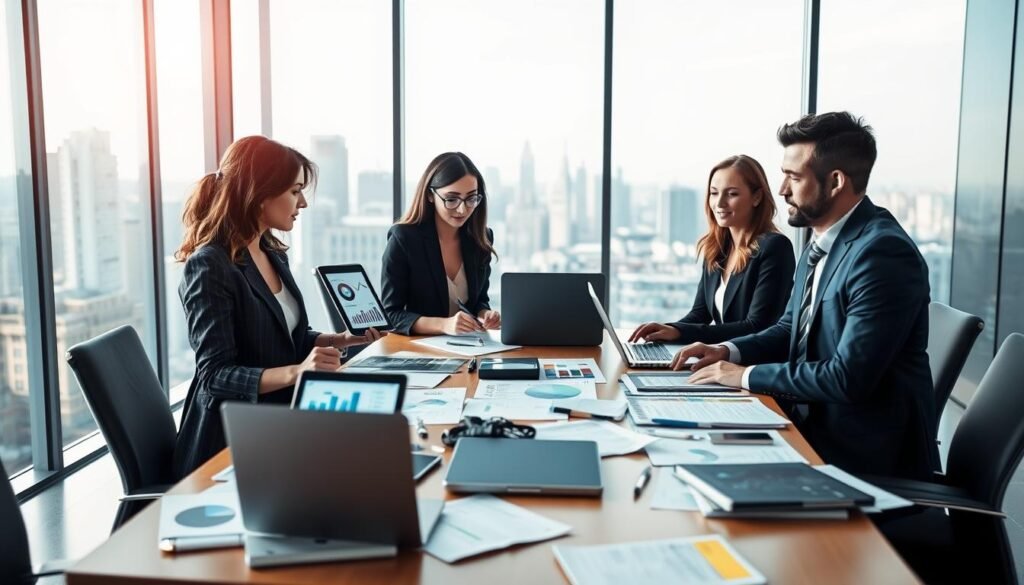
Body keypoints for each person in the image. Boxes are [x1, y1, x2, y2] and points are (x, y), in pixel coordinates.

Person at [678, 112, 939, 480]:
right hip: (810, 427)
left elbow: (847, 378)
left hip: (860, 457)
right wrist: (727, 352)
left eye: (794, 177)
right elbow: (789, 328)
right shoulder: (822, 242)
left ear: (835, 182)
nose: (782, 189)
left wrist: (744, 375)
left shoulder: (882, 254)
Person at [173, 136, 384, 478]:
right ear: (260, 195)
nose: (302, 202)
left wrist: (338, 340)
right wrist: (298, 372)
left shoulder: (271, 252)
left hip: (281, 418)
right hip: (231, 443)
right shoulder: (210, 266)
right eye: (294, 191)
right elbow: (215, 377)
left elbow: (282, 340)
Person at [628, 155, 795, 351]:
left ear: (757, 197)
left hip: (751, 366)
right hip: (718, 361)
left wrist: (682, 333)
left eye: (732, 194)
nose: (720, 203)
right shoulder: (716, 249)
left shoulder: (775, 247)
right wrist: (668, 329)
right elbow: (699, 314)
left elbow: (756, 326)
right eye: (714, 193)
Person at [381, 152, 500, 335]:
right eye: (451, 199)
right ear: (430, 195)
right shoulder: (404, 238)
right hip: (418, 350)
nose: (462, 209)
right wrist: (444, 325)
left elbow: (478, 301)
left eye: (471, 198)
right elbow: (390, 314)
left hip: (468, 347)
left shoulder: (480, 238)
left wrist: (485, 315)